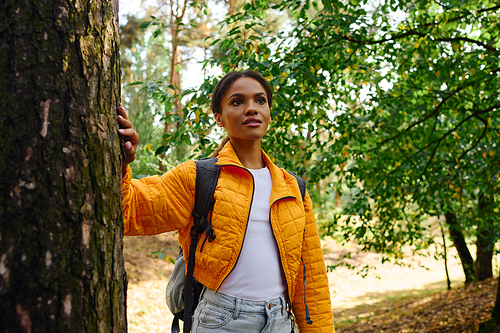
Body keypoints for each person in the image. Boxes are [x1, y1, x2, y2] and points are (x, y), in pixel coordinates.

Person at [118, 70, 335, 332]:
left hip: (280, 320)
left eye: (260, 100)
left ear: (269, 112)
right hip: (221, 321)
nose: (251, 109)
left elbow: (310, 278)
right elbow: (128, 213)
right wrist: (120, 165)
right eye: (237, 101)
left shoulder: (293, 188)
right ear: (219, 118)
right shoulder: (197, 177)